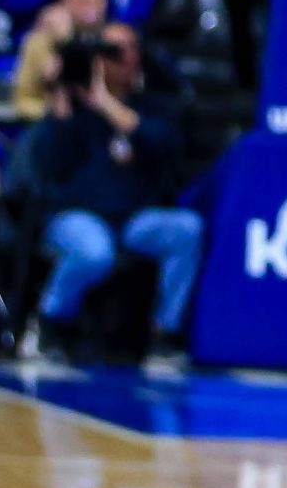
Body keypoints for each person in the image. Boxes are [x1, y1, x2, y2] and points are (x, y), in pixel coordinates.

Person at [25, 23, 200, 361]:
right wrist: (60, 98)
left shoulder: (154, 105)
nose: (121, 58)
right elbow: (50, 165)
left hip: (135, 218)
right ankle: (50, 321)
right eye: (110, 51)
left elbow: (162, 144)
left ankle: (165, 333)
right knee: (94, 251)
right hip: (78, 215)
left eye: (127, 49)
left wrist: (105, 102)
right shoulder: (72, 112)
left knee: (186, 229)